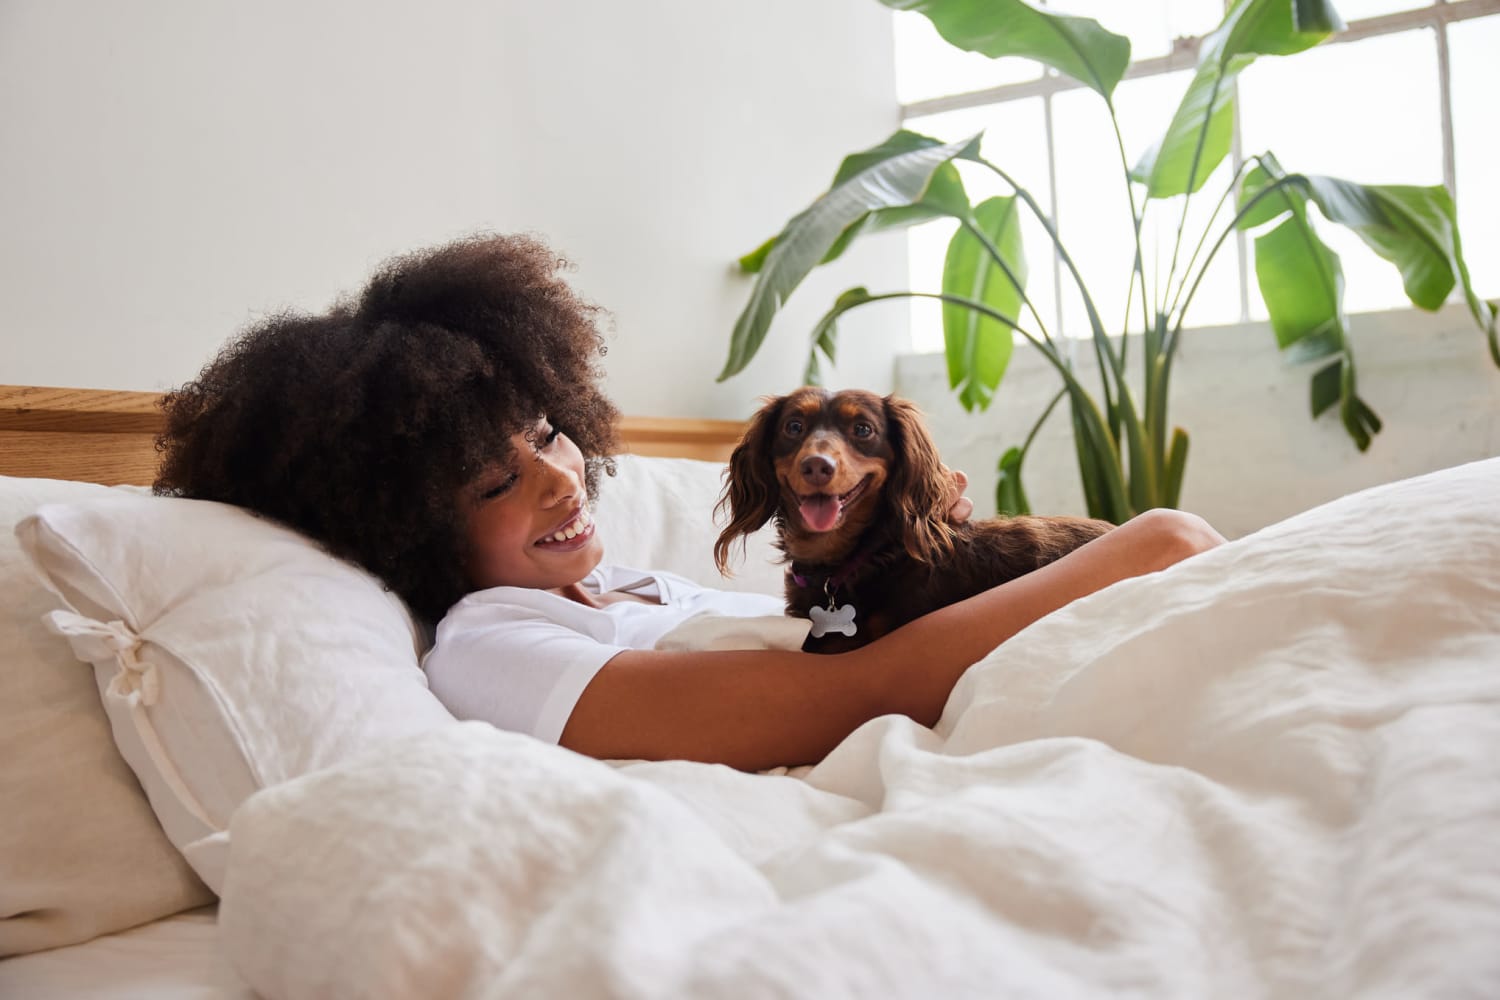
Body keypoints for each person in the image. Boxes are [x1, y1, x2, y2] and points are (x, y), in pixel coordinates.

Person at [155, 233, 1225, 772]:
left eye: (546, 433)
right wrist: (1137, 547)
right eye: (495, 479)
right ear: (408, 525)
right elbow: (846, 696)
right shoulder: (490, 643)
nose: (562, 477)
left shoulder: (629, 584)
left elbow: (848, 633)